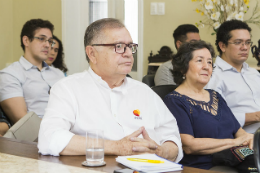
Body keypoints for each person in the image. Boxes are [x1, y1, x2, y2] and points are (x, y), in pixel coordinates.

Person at [38, 18, 183, 162]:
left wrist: (161, 151)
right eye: (119, 46)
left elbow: (172, 138)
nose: (128, 53)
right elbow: (49, 138)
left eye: (130, 46)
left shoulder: (145, 92)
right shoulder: (68, 89)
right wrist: (116, 147)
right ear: (92, 54)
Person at [163, 40, 253, 169]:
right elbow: (189, 146)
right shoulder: (174, 101)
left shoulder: (215, 96)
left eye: (210, 62)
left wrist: (248, 138)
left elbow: (239, 131)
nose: (207, 66)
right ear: (183, 67)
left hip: (234, 160)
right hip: (203, 167)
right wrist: (234, 142)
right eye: (200, 61)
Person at [0, 19, 64, 124]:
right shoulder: (10, 75)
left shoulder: (58, 74)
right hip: (37, 135)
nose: (48, 45)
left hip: (68, 128)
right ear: (26, 41)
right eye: (41, 39)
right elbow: (23, 121)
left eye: (50, 41)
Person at [206, 20, 260, 134]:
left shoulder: (253, 73)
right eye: (238, 42)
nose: (245, 47)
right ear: (222, 46)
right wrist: (255, 116)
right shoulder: (213, 76)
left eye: (248, 42)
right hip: (243, 140)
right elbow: (213, 117)